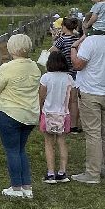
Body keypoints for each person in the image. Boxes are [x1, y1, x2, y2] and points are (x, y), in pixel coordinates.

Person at [70, 24, 105, 184]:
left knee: (93, 133)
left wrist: (74, 49)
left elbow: (78, 65)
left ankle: (92, 173)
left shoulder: (90, 41)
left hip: (90, 91)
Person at [0, 33, 41, 200]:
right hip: (30, 114)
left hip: (10, 113)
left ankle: (16, 187)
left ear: (11, 48)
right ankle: (27, 187)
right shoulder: (34, 67)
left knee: (12, 150)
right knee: (20, 150)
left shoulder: (7, 67)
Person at [39, 47, 76, 184]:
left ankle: (50, 173)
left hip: (48, 113)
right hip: (63, 114)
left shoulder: (46, 78)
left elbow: (41, 97)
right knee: (62, 142)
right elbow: (72, 99)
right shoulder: (69, 78)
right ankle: (62, 172)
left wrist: (38, 111)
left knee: (49, 143)